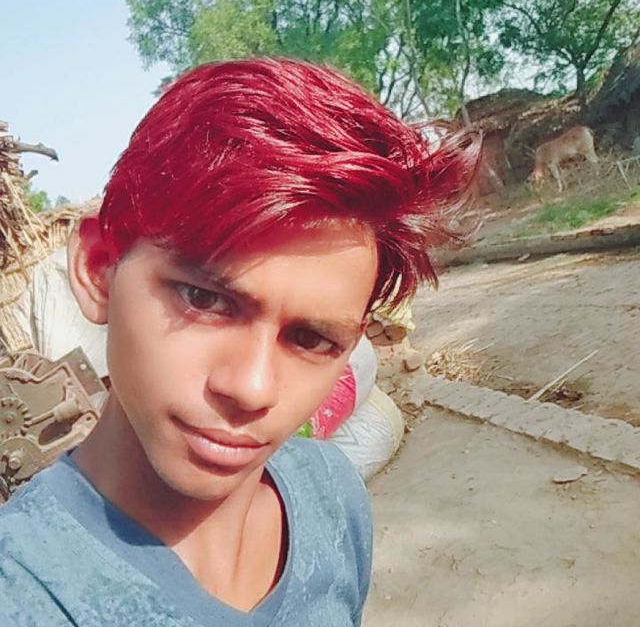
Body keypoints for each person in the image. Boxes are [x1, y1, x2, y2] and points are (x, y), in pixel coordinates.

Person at [0, 58, 478, 625]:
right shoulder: (26, 593)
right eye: (203, 299)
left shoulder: (331, 496)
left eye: (312, 338)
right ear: (98, 269)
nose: (252, 388)